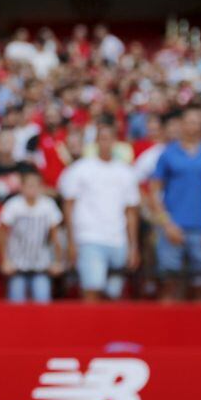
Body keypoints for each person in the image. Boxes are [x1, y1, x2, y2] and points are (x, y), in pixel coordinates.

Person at [60, 124, 141, 301]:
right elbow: (68, 206)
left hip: (118, 239)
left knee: (114, 293)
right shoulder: (79, 169)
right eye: (102, 139)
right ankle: (90, 328)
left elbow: (131, 212)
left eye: (109, 139)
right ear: (96, 141)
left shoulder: (126, 172)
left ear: (116, 142)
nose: (106, 143)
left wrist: (133, 246)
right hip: (89, 238)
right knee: (92, 288)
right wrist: (71, 241)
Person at [149, 106, 201, 301]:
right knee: (169, 286)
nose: (193, 126)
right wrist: (166, 223)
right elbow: (154, 192)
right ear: (181, 125)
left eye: (198, 122)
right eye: (190, 121)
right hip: (173, 228)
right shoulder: (167, 155)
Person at [0, 167, 63, 303]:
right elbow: (1, 233)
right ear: (21, 187)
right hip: (17, 265)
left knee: (42, 302)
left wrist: (57, 261)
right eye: (29, 185)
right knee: (16, 305)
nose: (32, 189)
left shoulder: (48, 206)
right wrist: (4, 260)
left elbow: (56, 236)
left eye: (35, 185)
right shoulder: (13, 205)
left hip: (41, 265)